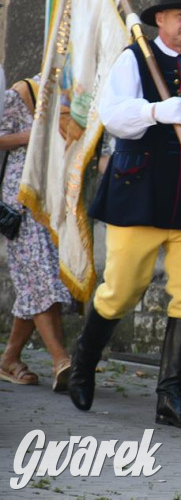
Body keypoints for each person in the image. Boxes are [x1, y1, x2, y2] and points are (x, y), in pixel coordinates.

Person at [68, 0, 181, 431]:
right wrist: (154, 112)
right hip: (138, 195)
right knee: (122, 289)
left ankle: (171, 396)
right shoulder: (135, 59)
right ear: (159, 20)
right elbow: (112, 115)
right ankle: (82, 364)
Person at [0, 75, 73, 391]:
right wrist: (33, 136)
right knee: (41, 278)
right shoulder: (24, 92)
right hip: (22, 198)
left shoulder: (79, 100)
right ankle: (62, 360)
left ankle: (9, 358)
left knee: (40, 280)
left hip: (56, 198)